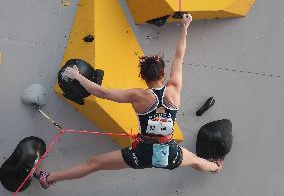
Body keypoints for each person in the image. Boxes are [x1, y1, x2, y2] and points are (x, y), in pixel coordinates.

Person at [34, 14, 223, 189]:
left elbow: (101, 92)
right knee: (198, 161)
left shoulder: (138, 96)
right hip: (169, 153)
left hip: (141, 153)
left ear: (142, 77)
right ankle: (215, 167)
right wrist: (185, 27)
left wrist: (77, 76)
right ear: (163, 73)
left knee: (94, 164)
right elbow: (179, 56)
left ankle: (48, 179)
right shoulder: (174, 89)